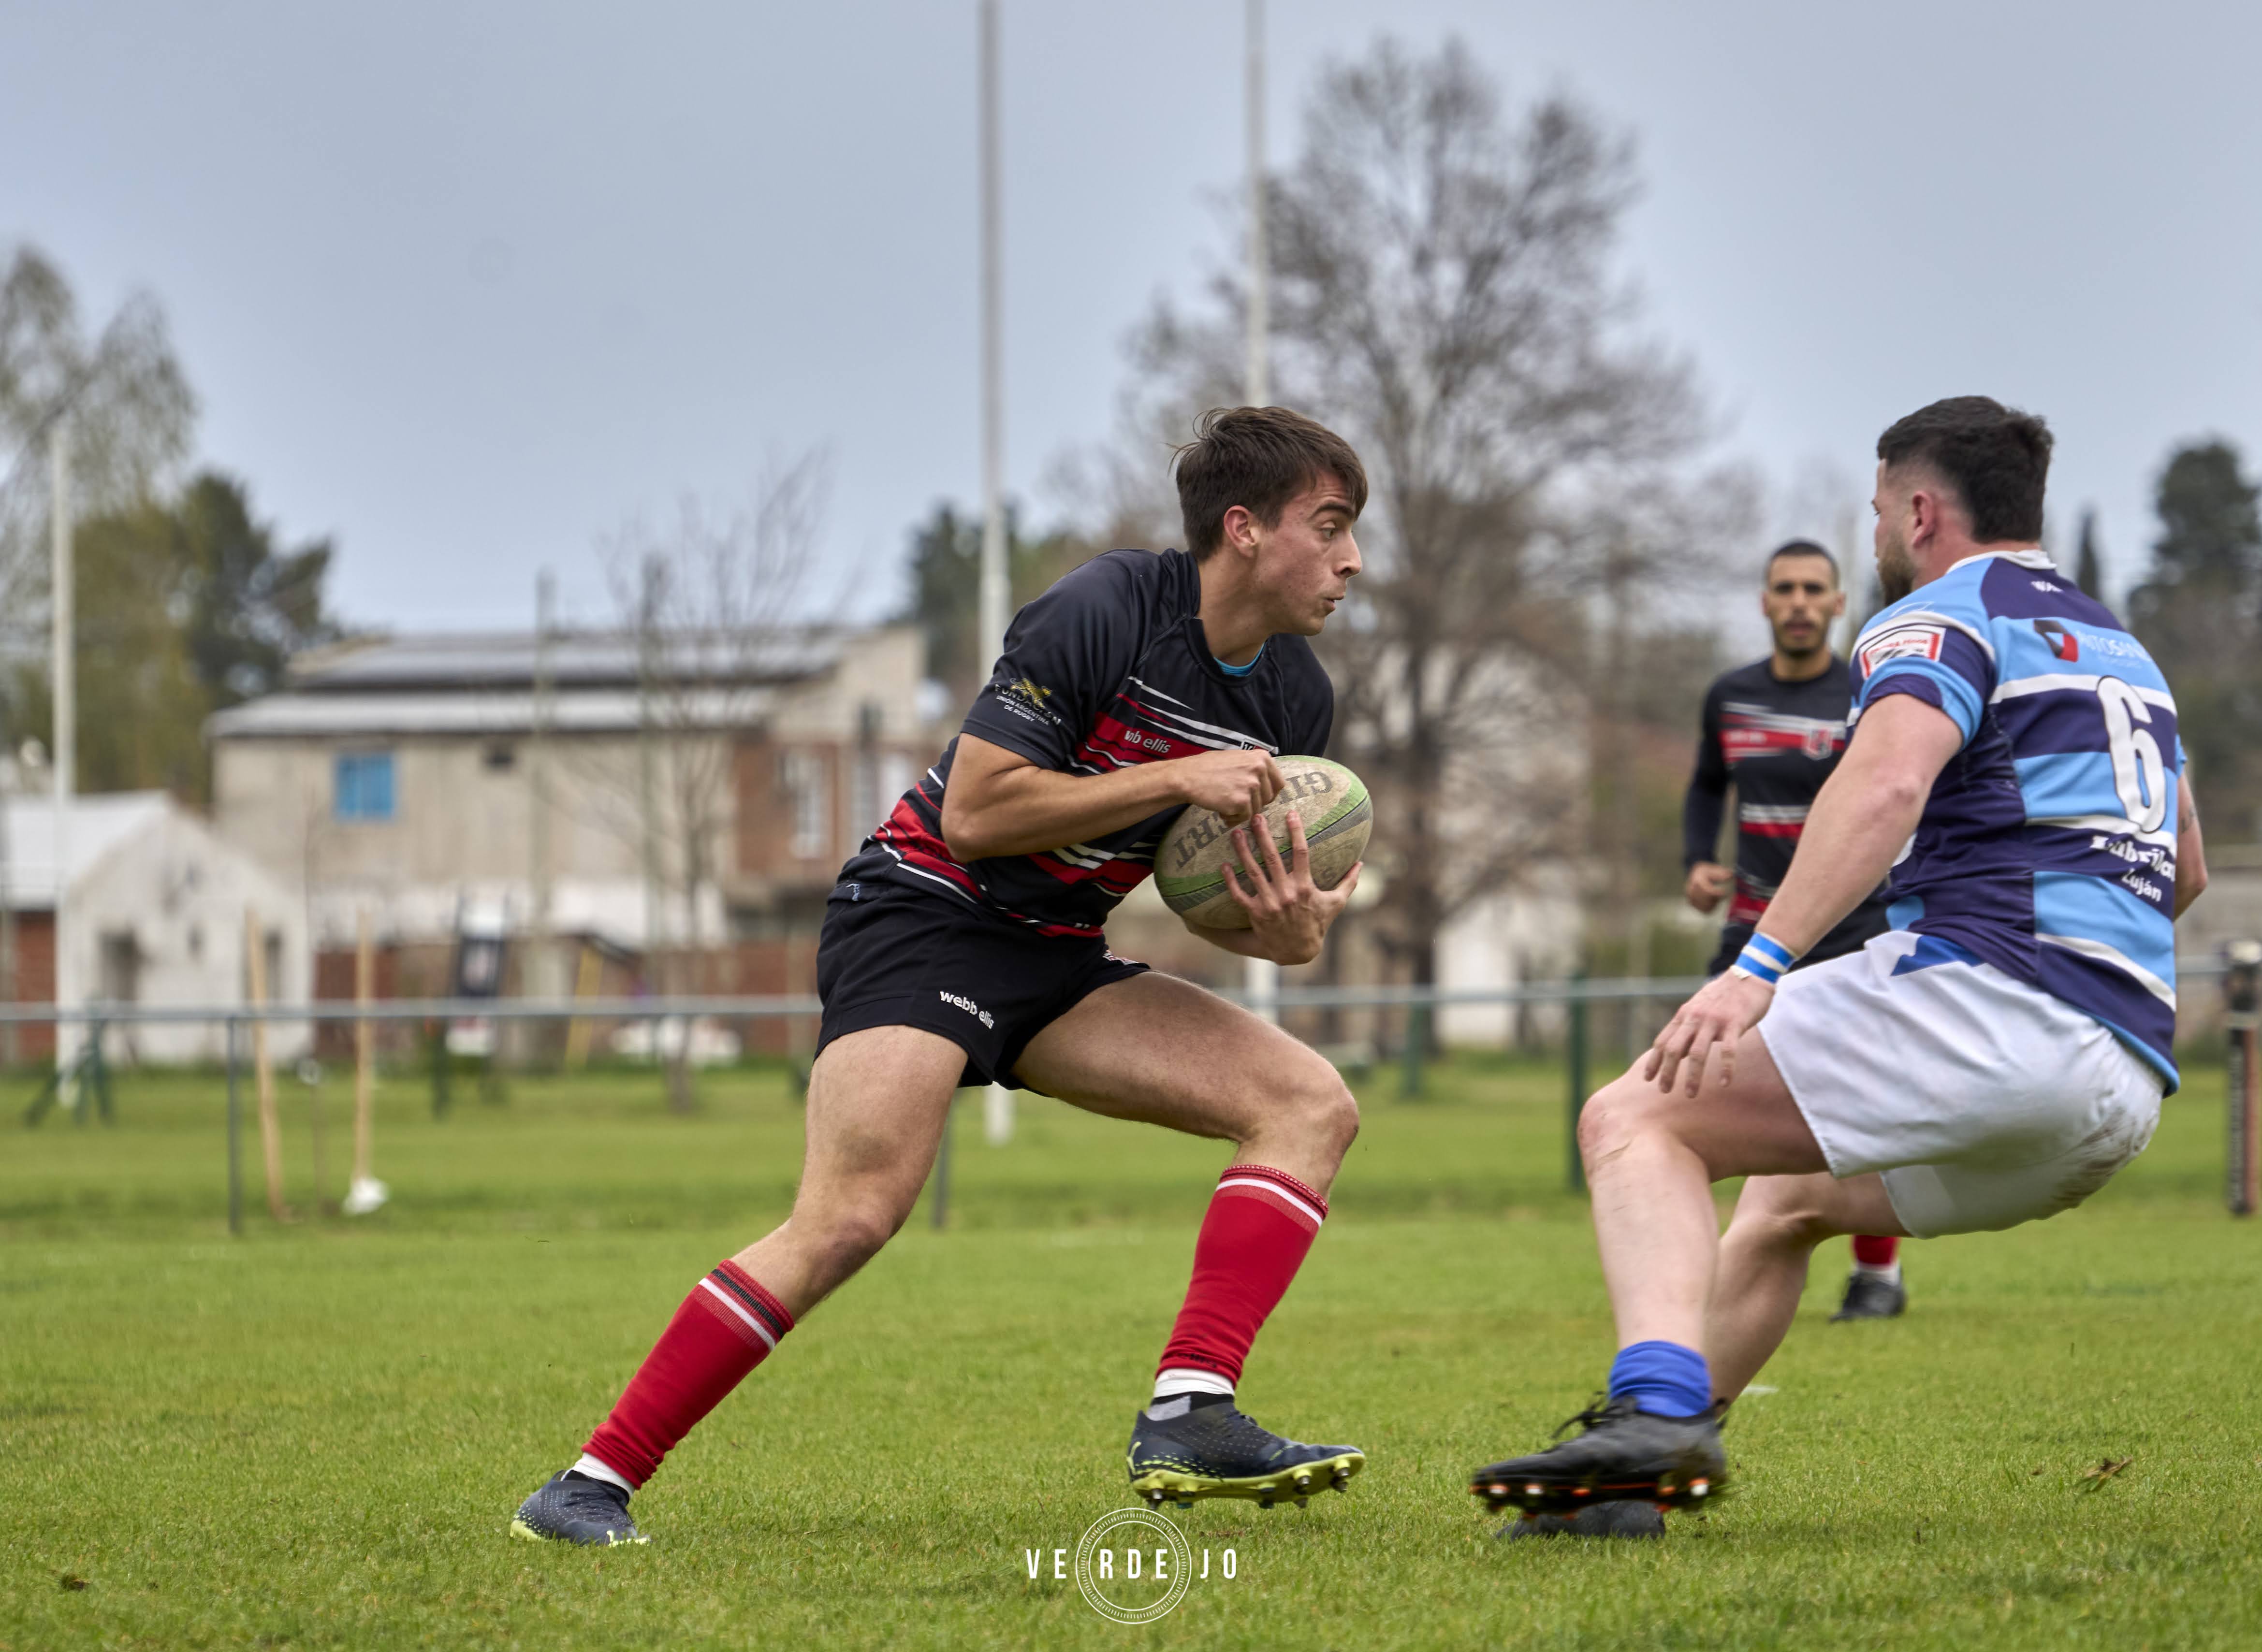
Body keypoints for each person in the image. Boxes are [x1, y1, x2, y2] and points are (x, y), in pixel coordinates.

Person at [513, 406, 1372, 1545]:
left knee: (1309, 1102)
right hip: (922, 917)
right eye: (1332, 524)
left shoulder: (1292, 701)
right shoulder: (1106, 606)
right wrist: (1178, 775)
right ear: (1245, 528)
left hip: (1057, 954)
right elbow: (975, 813)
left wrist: (1291, 927)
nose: (1354, 557)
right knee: (853, 1213)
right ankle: (586, 1483)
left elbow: (1209, 895)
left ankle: (1191, 1409)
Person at [1472, 394, 2207, 1535]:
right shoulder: (2126, 651)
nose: (1874, 537)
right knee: (1783, 1206)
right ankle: (1629, 1489)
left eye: (1875, 513)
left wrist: (1757, 964)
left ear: (1920, 511)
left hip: (1995, 1003)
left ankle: (1653, 1411)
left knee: (1633, 1118)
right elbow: (2187, 868)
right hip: (2118, 1088)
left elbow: (1885, 784)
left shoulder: (1935, 614)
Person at [1682, 541, 1910, 1324]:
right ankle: (1708, 1269)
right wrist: (1695, 861)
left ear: (1839, 603)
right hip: (1750, 935)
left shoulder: (1873, 692)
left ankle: (1877, 1275)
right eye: (1786, 588)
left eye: (1816, 588)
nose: (1802, 601)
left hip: (1858, 930)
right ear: (1765, 602)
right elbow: (1708, 786)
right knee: (1700, 1089)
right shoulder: (1731, 696)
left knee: (1870, 1105)